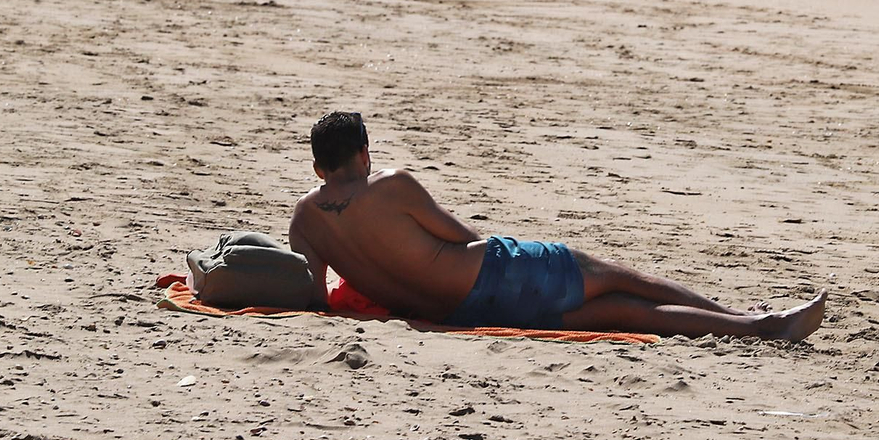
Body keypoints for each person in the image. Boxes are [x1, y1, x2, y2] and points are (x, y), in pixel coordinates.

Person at [287, 112, 827, 339]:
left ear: (317, 167)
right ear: (363, 153)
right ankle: (757, 321)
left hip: (453, 312)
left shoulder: (305, 221)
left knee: (617, 315)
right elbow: (462, 238)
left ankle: (754, 327)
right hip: (492, 273)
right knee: (624, 280)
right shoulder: (389, 184)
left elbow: (314, 298)